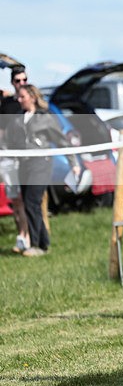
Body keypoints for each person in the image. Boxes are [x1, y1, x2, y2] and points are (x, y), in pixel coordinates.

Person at [5, 84, 80, 257]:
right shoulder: (18, 118)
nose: (19, 100)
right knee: (30, 203)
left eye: (22, 97)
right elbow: (10, 141)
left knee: (32, 201)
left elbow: (62, 141)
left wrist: (72, 162)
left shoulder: (45, 118)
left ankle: (37, 244)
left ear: (32, 97)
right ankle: (43, 243)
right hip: (24, 165)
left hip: (41, 164)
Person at [0, 66, 31, 252]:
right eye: (18, 81)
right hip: (9, 158)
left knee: (27, 200)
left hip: (27, 159)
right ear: (12, 82)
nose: (22, 84)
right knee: (16, 200)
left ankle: (29, 236)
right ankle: (22, 235)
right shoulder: (7, 103)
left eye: (24, 80)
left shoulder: (31, 100)